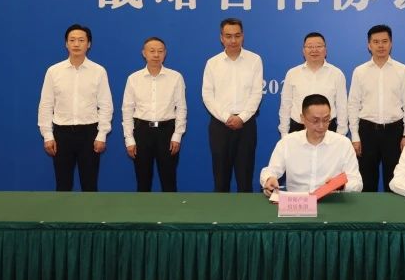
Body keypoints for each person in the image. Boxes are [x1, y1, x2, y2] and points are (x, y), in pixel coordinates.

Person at [37, 23, 113, 192]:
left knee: (90, 185)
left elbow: (105, 105)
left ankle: (90, 211)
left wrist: (102, 134)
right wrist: (47, 135)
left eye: (81, 40)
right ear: (66, 44)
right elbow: (46, 105)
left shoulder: (98, 71)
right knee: (63, 185)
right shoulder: (53, 71)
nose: (76, 44)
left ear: (89, 44)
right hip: (62, 134)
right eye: (72, 40)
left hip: (89, 134)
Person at [347, 24, 405, 192]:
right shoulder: (360, 71)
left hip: (394, 132)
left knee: (395, 182)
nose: (381, 45)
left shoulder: (402, 70)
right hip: (367, 131)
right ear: (369, 45)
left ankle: (394, 210)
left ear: (391, 43)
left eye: (385, 41)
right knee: (366, 181)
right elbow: (353, 105)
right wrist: (355, 136)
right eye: (376, 42)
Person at [202, 17, 264, 192]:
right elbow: (207, 95)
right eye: (228, 36)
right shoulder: (212, 63)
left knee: (245, 178)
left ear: (243, 36)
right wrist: (226, 117)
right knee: (221, 179)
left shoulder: (254, 60)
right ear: (221, 38)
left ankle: (245, 211)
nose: (233, 40)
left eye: (237, 35)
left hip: (246, 125)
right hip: (220, 125)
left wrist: (241, 118)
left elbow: (256, 93)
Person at [121, 36, 187, 192]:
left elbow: (181, 108)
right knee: (143, 180)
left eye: (160, 51)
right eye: (152, 51)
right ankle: (143, 208)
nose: (156, 55)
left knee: (169, 180)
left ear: (165, 53)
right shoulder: (133, 78)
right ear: (144, 53)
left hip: (167, 132)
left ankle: (170, 208)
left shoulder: (176, 77)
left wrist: (177, 135)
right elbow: (127, 110)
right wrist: (129, 138)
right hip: (142, 132)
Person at [261, 94, 363, 195]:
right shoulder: (288, 143)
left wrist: (341, 185)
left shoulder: (343, 144)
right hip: (298, 201)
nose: (321, 126)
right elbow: (270, 171)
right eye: (315, 121)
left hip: (330, 200)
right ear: (302, 118)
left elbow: (357, 183)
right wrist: (269, 179)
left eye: (326, 120)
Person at [278, 32, 348, 136]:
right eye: (310, 47)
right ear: (303, 51)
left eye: (319, 46)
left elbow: (342, 106)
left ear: (325, 50)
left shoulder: (337, 74)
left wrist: (341, 134)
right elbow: (286, 105)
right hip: (298, 128)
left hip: (327, 128)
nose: (314, 50)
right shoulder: (292, 73)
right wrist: (284, 133)